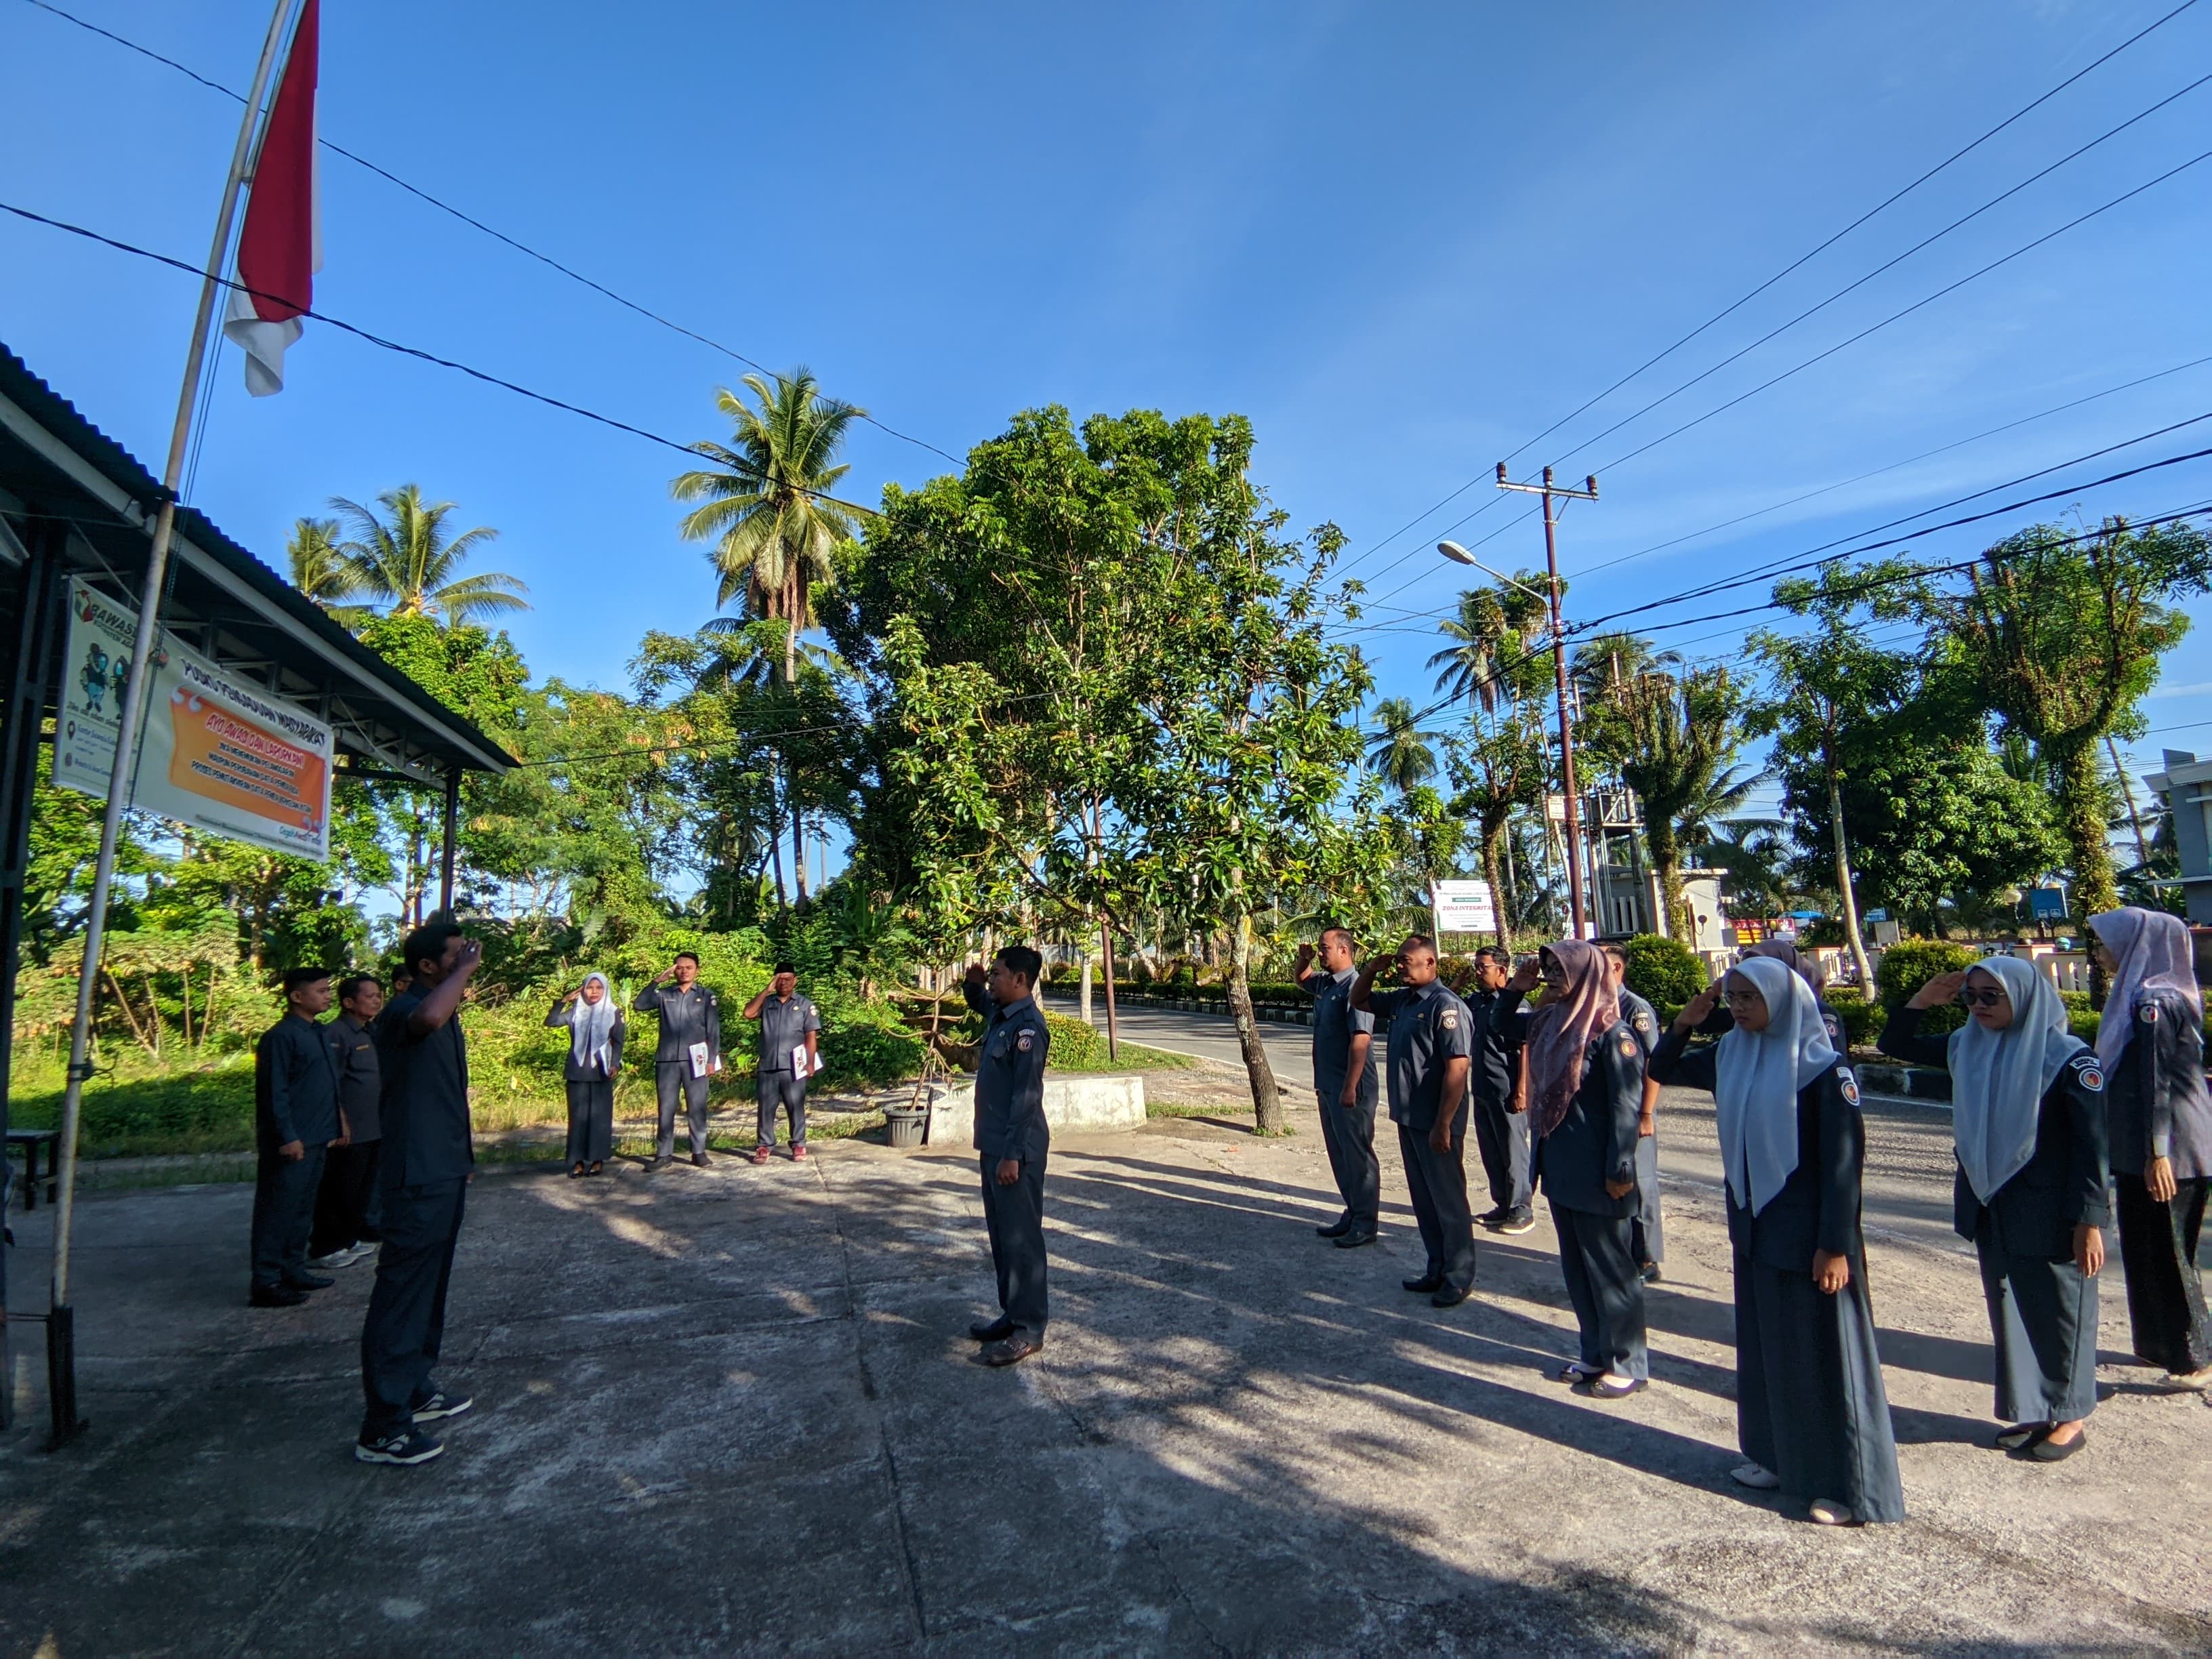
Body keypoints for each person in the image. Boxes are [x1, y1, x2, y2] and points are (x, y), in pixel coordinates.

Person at [1652, 959, 1906, 1526]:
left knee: (1823, 1360)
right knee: (1769, 1352)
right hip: (1756, 1226)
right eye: (1733, 998)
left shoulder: (1822, 1070)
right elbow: (1660, 1067)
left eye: (1750, 998)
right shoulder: (1731, 1054)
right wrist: (1685, 1022)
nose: (1739, 1008)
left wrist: (1836, 1245)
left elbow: (1843, 1168)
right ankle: (1777, 1458)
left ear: (1784, 1000)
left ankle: (1846, 1487)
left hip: (1811, 1239)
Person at [1879, 956, 2108, 1461]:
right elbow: (1894, 1045)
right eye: (1971, 996)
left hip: (2052, 1210)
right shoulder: (1968, 1045)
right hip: (1993, 1201)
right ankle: (2037, 1409)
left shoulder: (2068, 1060)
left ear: (2023, 997)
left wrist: (2090, 1219)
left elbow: (2092, 1148)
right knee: (2013, 1310)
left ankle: (2071, 1416)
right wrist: (1921, 1001)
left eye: (1991, 996)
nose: (1978, 1006)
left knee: (2062, 1310)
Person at [356, 921, 483, 1467]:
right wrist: (466, 970)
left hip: (444, 1168)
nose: (467, 960)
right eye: (455, 955)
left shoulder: (443, 1010)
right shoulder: (405, 1010)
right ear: (428, 967)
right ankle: (383, 1427)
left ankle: (414, 1387)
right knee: (403, 1294)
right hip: (415, 1174)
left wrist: (462, 1160)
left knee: (430, 1288)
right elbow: (428, 1017)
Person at [2089, 907, 2212, 1390]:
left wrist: (2158, 1153)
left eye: (2106, 944)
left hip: (2168, 1152)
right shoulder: (2143, 997)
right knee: (2143, 1248)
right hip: (2141, 1150)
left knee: (2169, 1253)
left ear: (2135, 946)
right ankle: (2162, 1345)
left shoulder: (2154, 1003)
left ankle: (2195, 1357)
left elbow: (2157, 1083)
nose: (2100, 954)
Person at [1522, 939, 1648, 1397]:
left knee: (1612, 1270)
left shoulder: (1613, 1034)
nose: (1552, 976)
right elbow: (1498, 1028)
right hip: (1561, 1166)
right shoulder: (1553, 1024)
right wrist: (1515, 989)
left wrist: (1620, 1167)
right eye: (1549, 969)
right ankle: (1594, 1352)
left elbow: (1625, 1107)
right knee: (1578, 1270)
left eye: (1560, 969)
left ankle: (1628, 1362)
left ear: (1586, 974)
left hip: (1600, 1172)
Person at [1351, 936, 1477, 1307]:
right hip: (1409, 1117)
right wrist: (1371, 970)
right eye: (1399, 961)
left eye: (1407, 960)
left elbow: (1458, 1068)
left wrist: (1444, 1124)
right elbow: (1359, 1000)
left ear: (1431, 963)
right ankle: (1436, 1268)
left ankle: (1459, 1276)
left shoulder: (1446, 1006)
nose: (1401, 966)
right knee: (1425, 1201)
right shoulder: (1404, 1000)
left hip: (1436, 1122)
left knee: (1449, 1202)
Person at [962, 947, 1052, 1366]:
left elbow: (1026, 1097)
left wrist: (1012, 1156)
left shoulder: (1028, 1027)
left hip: (1017, 1151)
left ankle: (1029, 1328)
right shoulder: (1002, 1015)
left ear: (1019, 980)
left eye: (997, 974)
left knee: (1022, 1239)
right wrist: (973, 984)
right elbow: (980, 1001)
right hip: (994, 1145)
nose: (992, 981)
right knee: (1002, 1237)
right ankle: (1013, 1314)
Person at [250, 967, 342, 1308]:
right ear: (297, 997)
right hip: (293, 1139)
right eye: (321, 991)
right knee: (277, 1210)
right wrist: (287, 1136)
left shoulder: (318, 1032)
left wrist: (337, 1124)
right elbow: (274, 1092)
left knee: (303, 1208)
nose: (328, 996)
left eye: (328, 990)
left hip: (318, 1135)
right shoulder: (281, 1037)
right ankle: (266, 1281)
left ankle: (293, 1268)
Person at [1294, 928, 1380, 1247]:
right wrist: (1303, 959)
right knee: (1340, 1154)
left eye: (1324, 948)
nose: (1319, 953)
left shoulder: (1355, 987)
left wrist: (1350, 1087)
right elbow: (1302, 979)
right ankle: (1353, 1212)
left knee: (1357, 1155)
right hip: (1329, 1084)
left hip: (1351, 1088)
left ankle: (1366, 1223)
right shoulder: (1327, 983)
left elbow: (1361, 1040)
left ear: (1344, 950)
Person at [308, 975, 384, 1270]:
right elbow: (331, 1083)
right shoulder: (337, 1034)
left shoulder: (371, 1031)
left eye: (378, 995)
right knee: (339, 1189)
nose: (377, 1000)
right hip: (350, 1129)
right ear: (349, 1002)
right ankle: (326, 1246)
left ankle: (350, 1239)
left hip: (373, 1126)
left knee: (361, 1189)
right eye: (370, 996)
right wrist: (339, 1121)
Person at [1603, 943, 1666, 1283]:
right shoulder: (1597, 1004)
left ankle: (1647, 1258)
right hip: (1612, 1113)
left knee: (1641, 1184)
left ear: (1616, 968)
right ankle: (1625, 1252)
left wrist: (1646, 1114)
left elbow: (1654, 1063)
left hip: (1636, 1112)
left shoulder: (1634, 1008)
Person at [1465, 946, 1536, 1235]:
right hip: (1483, 1086)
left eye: (1483, 966)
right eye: (1477, 966)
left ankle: (1521, 1210)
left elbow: (1525, 1047)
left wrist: (1522, 1090)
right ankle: (1503, 1204)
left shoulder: (1516, 1004)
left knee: (1513, 1150)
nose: (1477, 971)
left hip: (1507, 1088)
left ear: (1502, 970)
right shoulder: (1477, 1002)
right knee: (1491, 1150)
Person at [633, 951, 722, 1170]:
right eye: (679, 968)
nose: (684, 972)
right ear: (674, 970)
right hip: (668, 1059)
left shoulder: (706, 995)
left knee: (697, 1106)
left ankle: (698, 1152)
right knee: (666, 1108)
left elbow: (713, 1030)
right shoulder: (665, 994)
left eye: (689, 968)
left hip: (697, 1060)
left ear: (697, 970)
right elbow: (639, 1005)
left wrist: (712, 1059)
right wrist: (656, 981)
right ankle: (664, 1154)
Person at [546, 972, 623, 1178]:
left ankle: (597, 1160)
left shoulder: (614, 1012)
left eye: (599, 988)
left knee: (600, 1119)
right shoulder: (576, 1012)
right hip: (577, 1072)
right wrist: (563, 1001)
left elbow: (618, 1042)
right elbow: (551, 1022)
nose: (594, 992)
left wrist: (615, 1064)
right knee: (578, 1119)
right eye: (590, 987)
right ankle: (578, 1161)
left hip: (602, 1072)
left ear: (605, 990)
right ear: (583, 990)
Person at [743, 962, 821, 1165]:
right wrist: (766, 991)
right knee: (766, 1108)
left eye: (788, 979)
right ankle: (764, 1145)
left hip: (794, 1066)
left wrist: (810, 1063)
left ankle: (798, 1144)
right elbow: (748, 1013)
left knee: (795, 1106)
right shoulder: (767, 1003)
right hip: (768, 1064)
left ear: (795, 980)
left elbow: (811, 1036)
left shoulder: (805, 1005)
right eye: (780, 979)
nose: (784, 983)